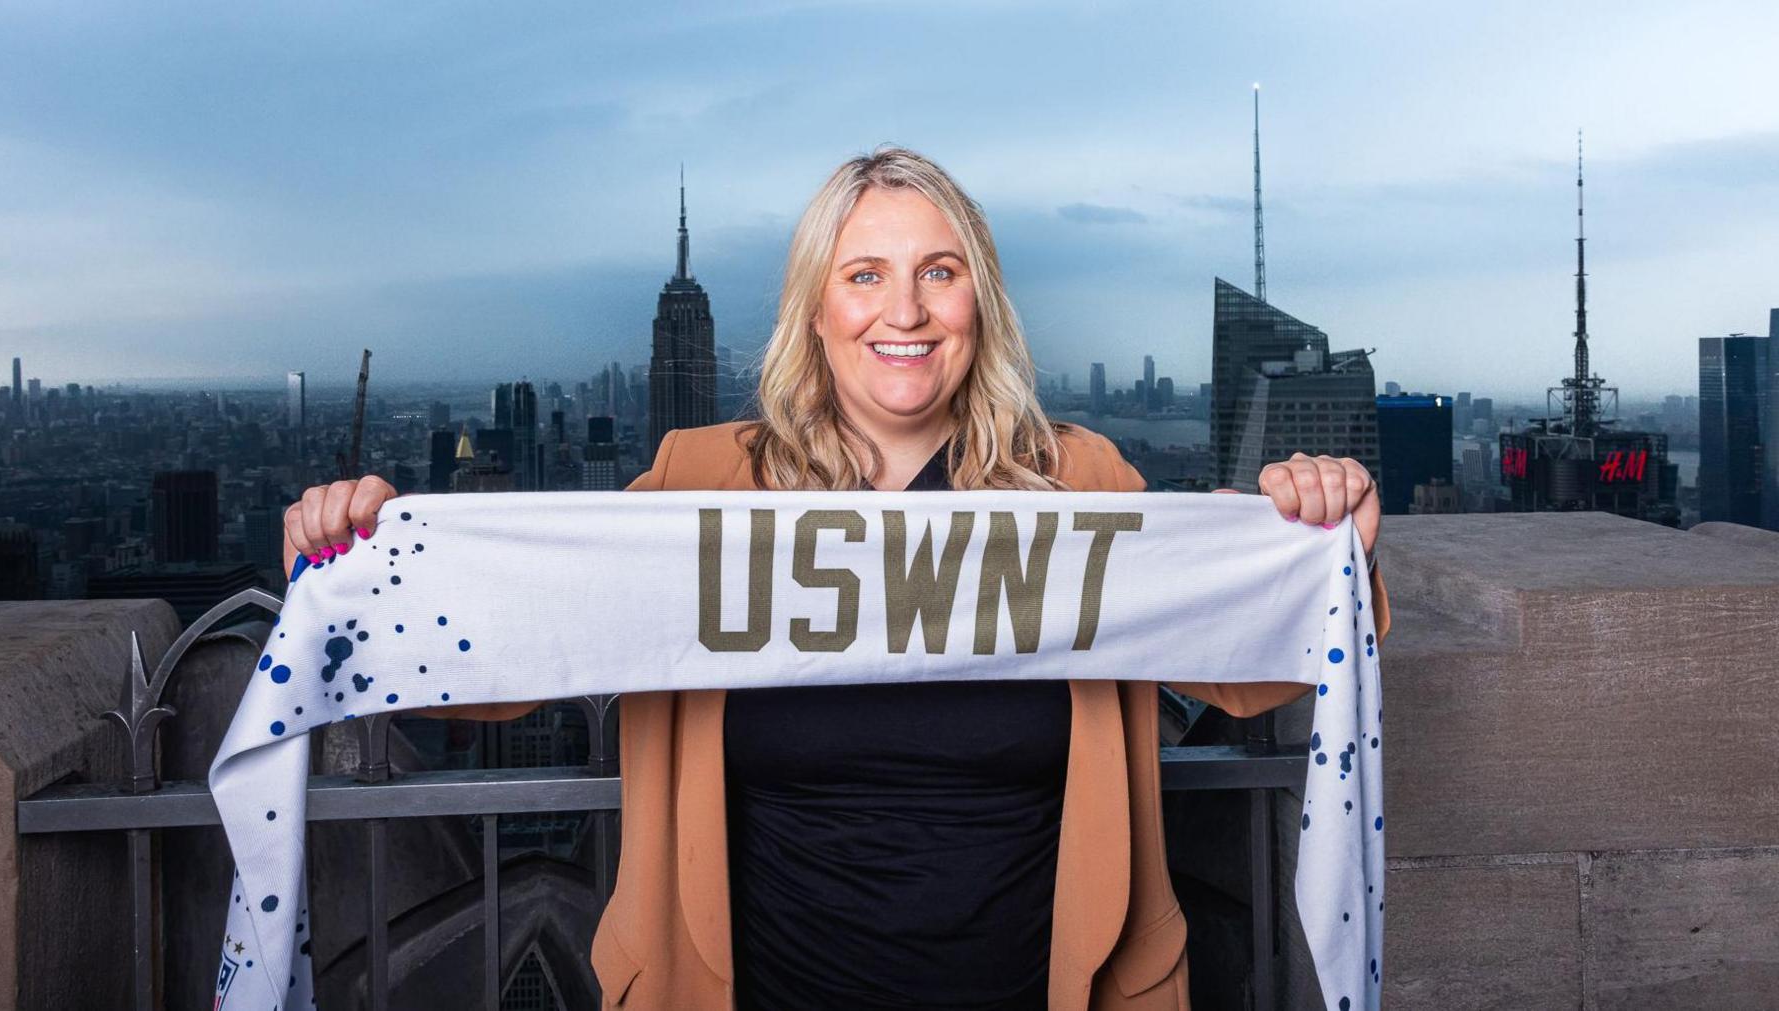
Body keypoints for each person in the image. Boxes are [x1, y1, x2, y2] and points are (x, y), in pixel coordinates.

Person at [282, 145, 1390, 1010]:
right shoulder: (703, 484)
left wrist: (1322, 526)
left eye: (937, 274)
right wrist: (359, 566)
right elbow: (502, 662)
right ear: (818, 310)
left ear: (979, 305)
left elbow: (1267, 668)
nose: (903, 312)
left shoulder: (1079, 486)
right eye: (865, 275)